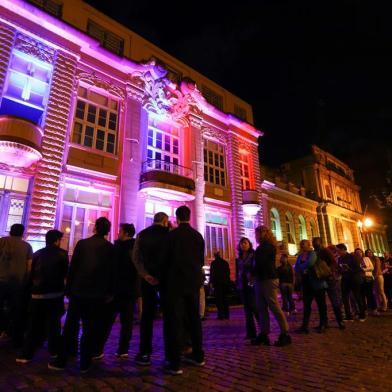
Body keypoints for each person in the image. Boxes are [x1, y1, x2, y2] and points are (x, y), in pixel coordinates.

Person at [49, 217, 115, 373]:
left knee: (70, 327)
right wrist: (109, 292)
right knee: (90, 329)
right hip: (97, 295)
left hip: (79, 292)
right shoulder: (110, 248)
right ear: (108, 230)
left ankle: (62, 360)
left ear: (95, 228)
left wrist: (69, 289)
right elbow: (112, 273)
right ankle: (85, 363)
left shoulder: (82, 244)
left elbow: (73, 268)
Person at [163, 205, 205, 375]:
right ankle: (198, 356)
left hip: (175, 284)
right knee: (194, 320)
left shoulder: (171, 236)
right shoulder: (197, 236)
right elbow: (201, 260)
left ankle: (175, 363)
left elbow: (165, 260)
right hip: (193, 283)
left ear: (177, 217)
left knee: (175, 321)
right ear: (189, 217)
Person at [16, 230, 68, 363]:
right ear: (57, 240)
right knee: (54, 326)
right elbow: (65, 274)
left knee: (33, 326)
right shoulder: (63, 254)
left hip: (37, 295)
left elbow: (31, 274)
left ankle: (27, 353)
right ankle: (54, 351)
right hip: (55, 295)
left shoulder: (37, 254)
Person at [132, 212, 169, 366]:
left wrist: (145, 275)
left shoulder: (142, 234)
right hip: (166, 279)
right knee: (170, 315)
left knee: (147, 315)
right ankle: (170, 353)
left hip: (148, 279)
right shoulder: (170, 234)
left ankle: (145, 352)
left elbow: (136, 257)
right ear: (165, 221)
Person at [99, 223, 139, 358]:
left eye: (120, 231)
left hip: (116, 291)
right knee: (126, 322)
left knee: (107, 321)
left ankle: (98, 349)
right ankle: (123, 349)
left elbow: (111, 270)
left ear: (126, 233)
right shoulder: (135, 249)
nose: (118, 233)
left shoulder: (117, 248)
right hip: (129, 291)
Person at [251, 226, 291, 347]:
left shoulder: (268, 247)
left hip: (268, 278)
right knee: (261, 307)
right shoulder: (262, 247)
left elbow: (261, 263)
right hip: (261, 279)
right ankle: (264, 333)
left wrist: (252, 271)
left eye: (257, 234)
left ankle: (285, 333)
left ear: (264, 234)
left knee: (274, 306)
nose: (256, 236)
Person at [0, 223, 33, 347]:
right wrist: (27, 280)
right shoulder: (27, 246)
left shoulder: (1, 242)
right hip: (18, 283)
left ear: (10, 231)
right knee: (16, 309)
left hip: (1, 281)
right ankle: (12, 334)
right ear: (22, 233)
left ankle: (2, 329)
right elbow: (29, 266)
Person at [295, 239, 328, 334]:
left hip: (317, 282)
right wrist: (302, 267)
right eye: (301, 244)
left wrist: (301, 267)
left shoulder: (312, 253)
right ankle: (304, 326)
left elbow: (310, 263)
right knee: (306, 305)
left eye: (304, 244)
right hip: (306, 283)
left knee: (321, 304)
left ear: (309, 245)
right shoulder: (300, 255)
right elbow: (296, 267)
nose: (302, 246)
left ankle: (323, 324)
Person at [313, 238, 345, 329]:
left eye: (316, 242)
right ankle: (323, 322)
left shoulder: (325, 251)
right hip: (319, 279)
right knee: (321, 302)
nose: (314, 244)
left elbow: (333, 262)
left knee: (334, 300)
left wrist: (328, 271)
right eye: (313, 242)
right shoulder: (314, 252)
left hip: (329, 278)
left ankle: (340, 321)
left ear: (320, 243)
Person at [236, 237, 259, 339]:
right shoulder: (239, 257)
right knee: (247, 310)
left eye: (245, 243)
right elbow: (238, 272)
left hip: (251, 284)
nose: (243, 245)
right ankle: (250, 333)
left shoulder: (253, 255)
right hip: (242, 284)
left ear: (249, 244)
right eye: (241, 243)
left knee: (254, 307)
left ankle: (263, 329)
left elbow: (256, 268)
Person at [336, 243, 366, 322]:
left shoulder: (352, 257)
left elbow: (358, 269)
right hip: (345, 280)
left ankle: (362, 315)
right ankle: (348, 316)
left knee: (357, 297)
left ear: (343, 250)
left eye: (338, 250)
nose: (337, 252)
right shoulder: (339, 259)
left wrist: (349, 269)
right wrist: (340, 270)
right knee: (345, 298)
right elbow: (339, 269)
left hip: (354, 279)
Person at [355, 248, 378, 316]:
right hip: (360, 279)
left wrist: (363, 269)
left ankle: (374, 309)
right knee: (362, 295)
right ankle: (365, 310)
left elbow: (372, 267)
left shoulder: (366, 259)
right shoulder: (355, 260)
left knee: (370, 294)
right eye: (357, 252)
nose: (358, 253)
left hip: (368, 278)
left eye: (360, 252)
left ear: (362, 253)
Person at [210, 250, 230, 320]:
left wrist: (211, 283)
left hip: (217, 284)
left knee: (219, 300)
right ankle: (227, 315)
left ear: (215, 255)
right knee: (225, 299)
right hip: (225, 283)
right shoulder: (225, 263)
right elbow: (228, 273)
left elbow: (212, 274)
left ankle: (221, 315)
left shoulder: (213, 263)